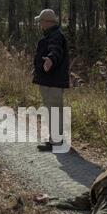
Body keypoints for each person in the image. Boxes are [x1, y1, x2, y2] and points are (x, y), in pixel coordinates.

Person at [33, 9, 70, 152]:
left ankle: (56, 142)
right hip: (50, 80)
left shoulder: (55, 36)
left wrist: (50, 60)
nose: (40, 24)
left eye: (41, 21)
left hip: (53, 82)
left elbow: (55, 51)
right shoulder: (51, 35)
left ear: (47, 22)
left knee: (54, 111)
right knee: (52, 110)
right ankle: (55, 139)